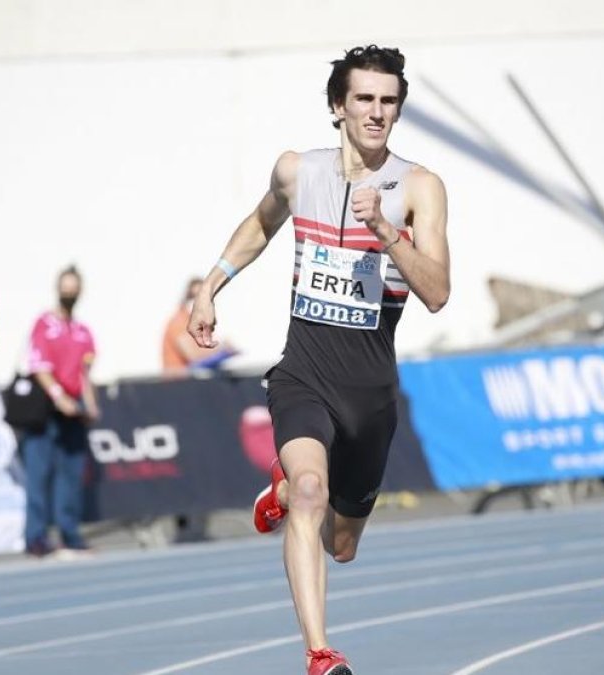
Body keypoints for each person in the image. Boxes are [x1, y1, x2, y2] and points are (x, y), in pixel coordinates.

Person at [187, 45, 450, 675]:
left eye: (388, 101)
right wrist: (210, 285)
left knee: (343, 543)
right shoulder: (297, 171)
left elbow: (438, 293)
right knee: (310, 494)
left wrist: (388, 233)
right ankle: (320, 652)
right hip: (303, 375)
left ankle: (281, 488)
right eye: (364, 98)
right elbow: (260, 224)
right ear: (338, 106)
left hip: (372, 392)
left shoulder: (418, 187)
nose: (376, 112)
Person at [21, 265, 101, 557]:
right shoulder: (44, 323)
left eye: (74, 288)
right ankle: (36, 537)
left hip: (73, 411)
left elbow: (84, 372)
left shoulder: (83, 332)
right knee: (39, 475)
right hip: (45, 411)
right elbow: (38, 365)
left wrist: (89, 405)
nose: (70, 293)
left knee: (71, 473)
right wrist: (58, 396)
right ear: (58, 288)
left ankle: (69, 532)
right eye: (65, 287)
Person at [161, 277, 229, 374]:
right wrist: (221, 348)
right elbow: (193, 354)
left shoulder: (196, 322)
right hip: (178, 383)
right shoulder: (179, 322)